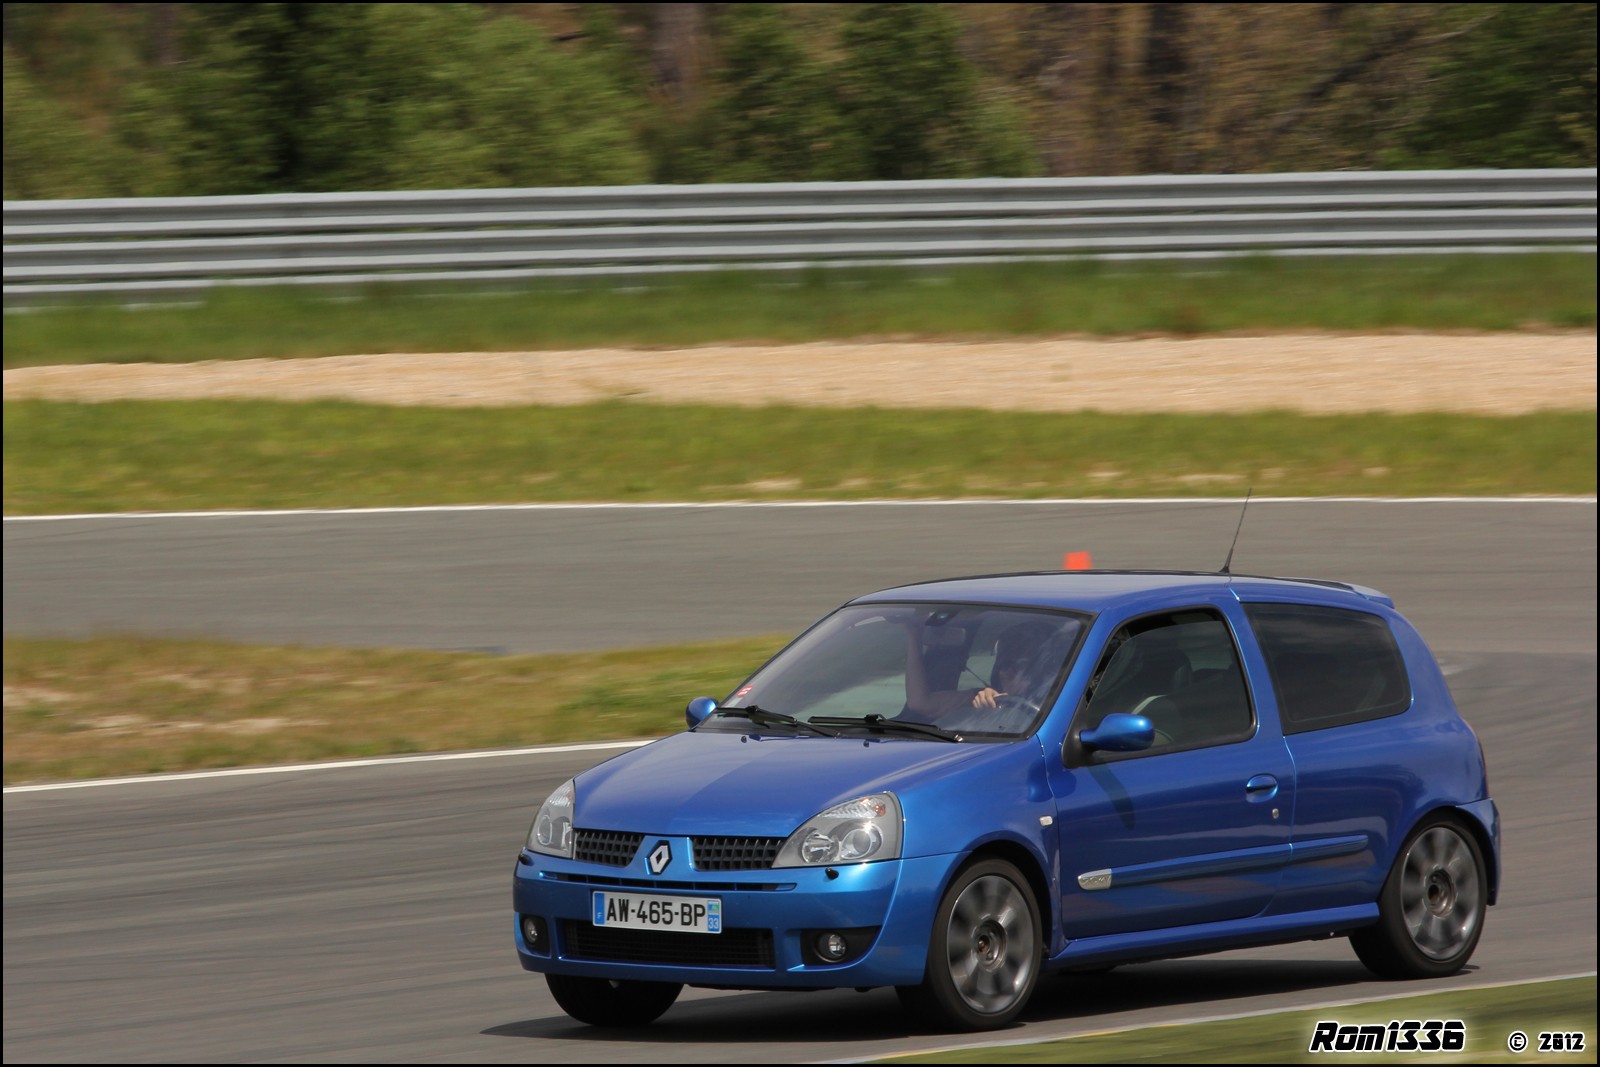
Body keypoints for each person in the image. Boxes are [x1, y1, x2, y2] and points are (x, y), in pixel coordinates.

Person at [902, 619, 1055, 720]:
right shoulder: (987, 696)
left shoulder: (1060, 703)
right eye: (1003, 664)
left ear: (1041, 669)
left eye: (1020, 666)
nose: (1006, 673)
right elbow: (920, 703)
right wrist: (914, 636)